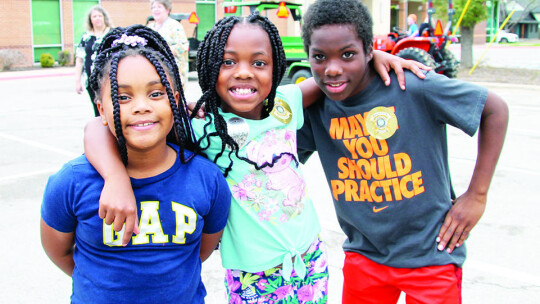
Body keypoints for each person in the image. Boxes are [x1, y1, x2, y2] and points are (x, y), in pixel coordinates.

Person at [83, 13, 428, 303]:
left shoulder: (286, 103)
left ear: (275, 68)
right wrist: (115, 178)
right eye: (228, 61)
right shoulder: (201, 124)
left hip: (310, 261)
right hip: (253, 275)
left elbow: (331, 77)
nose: (244, 72)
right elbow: (97, 129)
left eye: (259, 63)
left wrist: (374, 58)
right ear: (209, 68)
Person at [297, 0, 509, 303]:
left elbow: (495, 110)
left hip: (431, 255)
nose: (333, 68)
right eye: (319, 57)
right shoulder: (316, 109)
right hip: (365, 255)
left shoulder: (411, 85)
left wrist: (477, 194)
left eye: (348, 54)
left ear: (369, 49)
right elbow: (271, 144)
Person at [40, 25, 231, 303]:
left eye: (156, 94)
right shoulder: (72, 182)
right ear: (101, 109)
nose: (141, 106)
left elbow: (199, 253)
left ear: (175, 101)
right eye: (122, 97)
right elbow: (59, 252)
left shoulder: (207, 180)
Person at [75, 5, 113, 116]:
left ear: (104, 17)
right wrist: (77, 80)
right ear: (90, 20)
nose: (97, 18)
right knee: (97, 108)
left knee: (109, 106)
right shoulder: (86, 37)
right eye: (94, 16)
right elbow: (80, 59)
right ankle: (100, 131)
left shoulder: (111, 34)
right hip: (91, 80)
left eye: (99, 16)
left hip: (108, 78)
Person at [147, 0, 189, 86]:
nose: (156, 10)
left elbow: (183, 47)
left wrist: (162, 50)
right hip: (153, 69)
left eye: (159, 7)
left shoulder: (175, 26)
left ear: (167, 9)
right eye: (153, 7)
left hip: (171, 70)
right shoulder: (149, 28)